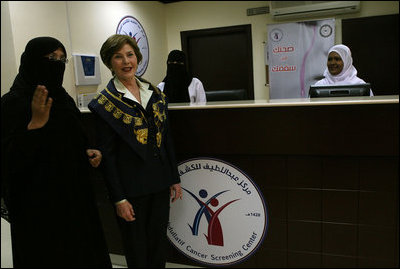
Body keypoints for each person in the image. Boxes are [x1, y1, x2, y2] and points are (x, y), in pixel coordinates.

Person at [1, 37, 112, 267]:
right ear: (32, 60)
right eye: (51, 58)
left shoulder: (63, 100)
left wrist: (87, 151)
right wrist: (34, 126)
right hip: (38, 204)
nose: (57, 64)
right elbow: (8, 161)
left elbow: (73, 139)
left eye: (62, 59)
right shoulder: (11, 103)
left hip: (74, 195)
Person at [88, 34, 182, 268]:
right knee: (136, 248)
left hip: (159, 183)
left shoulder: (156, 93)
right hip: (131, 190)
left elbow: (166, 138)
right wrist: (119, 198)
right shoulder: (103, 104)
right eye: (118, 57)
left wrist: (173, 178)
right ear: (110, 63)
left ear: (137, 58)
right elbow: (107, 157)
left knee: (158, 244)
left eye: (130, 55)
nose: (126, 61)